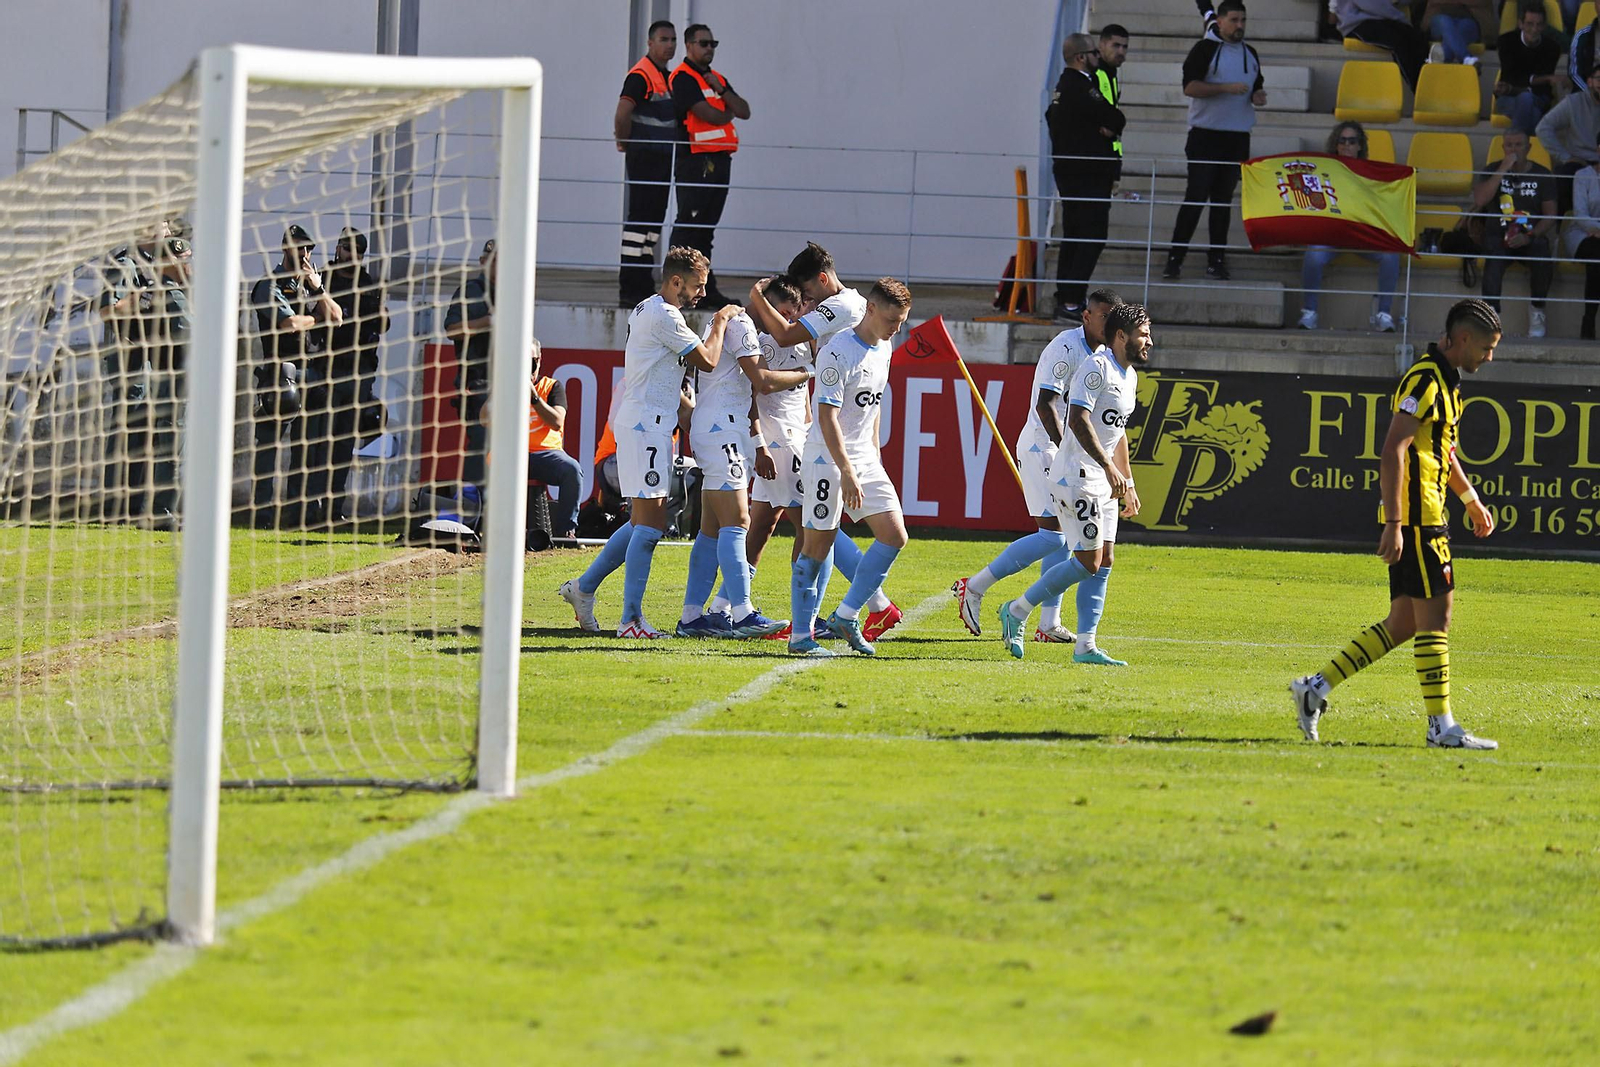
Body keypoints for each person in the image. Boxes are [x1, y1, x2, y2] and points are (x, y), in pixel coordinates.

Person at [1290, 299, 1501, 750]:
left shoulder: (1450, 383)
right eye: (1486, 348)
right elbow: (1394, 449)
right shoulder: (1424, 379)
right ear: (1463, 339)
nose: (1489, 357)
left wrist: (1470, 499)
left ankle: (1315, 688)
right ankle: (1440, 727)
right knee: (1436, 619)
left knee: (1403, 622)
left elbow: (1442, 449)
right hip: (1421, 520)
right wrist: (1395, 522)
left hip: (1429, 516)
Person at [558, 246, 741, 638]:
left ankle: (584, 588)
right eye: (697, 286)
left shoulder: (647, 308)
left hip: (648, 425)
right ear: (675, 281)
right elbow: (708, 360)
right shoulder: (663, 315)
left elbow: (662, 369)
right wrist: (723, 319)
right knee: (650, 526)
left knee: (645, 521)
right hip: (646, 427)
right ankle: (630, 620)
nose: (702, 295)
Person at [745, 243, 903, 640]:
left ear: (821, 279)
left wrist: (756, 298)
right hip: (826, 439)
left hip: (834, 446)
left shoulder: (845, 308)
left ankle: (848, 613)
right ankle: (843, 615)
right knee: (809, 526)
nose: (803, 306)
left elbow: (783, 335)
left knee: (814, 530)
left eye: (806, 295)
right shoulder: (857, 327)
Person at [952, 289, 1120, 645]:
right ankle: (975, 586)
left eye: (1113, 317)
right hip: (1044, 448)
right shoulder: (1067, 348)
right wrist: (1065, 454)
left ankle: (1048, 623)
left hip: (1065, 455)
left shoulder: (1104, 355)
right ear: (1086, 317)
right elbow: (1046, 405)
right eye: (1103, 316)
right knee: (1053, 535)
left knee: (1065, 536)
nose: (1108, 323)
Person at [996, 302, 1150, 664]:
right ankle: (1017, 609)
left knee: (1105, 559)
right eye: (1144, 334)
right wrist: (1106, 468)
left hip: (1104, 477)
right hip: (1076, 475)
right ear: (1121, 336)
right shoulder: (1096, 368)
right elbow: (1079, 420)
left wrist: (1126, 479)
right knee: (1086, 561)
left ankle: (1086, 646)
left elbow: (1117, 433)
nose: (1149, 341)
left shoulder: (1130, 376)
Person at [788, 279, 913, 657]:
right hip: (827, 459)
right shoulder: (837, 352)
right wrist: (846, 470)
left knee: (894, 535)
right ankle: (800, 638)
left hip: (863, 457)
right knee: (817, 547)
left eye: (902, 321)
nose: (896, 328)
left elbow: (873, 409)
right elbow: (827, 417)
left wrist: (871, 457)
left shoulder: (885, 346)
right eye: (892, 320)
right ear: (870, 309)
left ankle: (845, 615)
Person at [675, 300, 810, 639]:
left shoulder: (736, 325)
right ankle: (743, 612)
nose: (788, 319)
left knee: (710, 529)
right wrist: (808, 373)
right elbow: (761, 381)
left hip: (720, 431)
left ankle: (693, 615)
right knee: (740, 522)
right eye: (787, 309)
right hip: (723, 432)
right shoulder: (742, 325)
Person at [247, 224, 344, 529]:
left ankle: (298, 513)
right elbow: (287, 323)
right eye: (299, 248)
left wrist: (319, 289)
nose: (305, 254)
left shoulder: (311, 284)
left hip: (312, 372)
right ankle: (262, 514)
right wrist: (317, 317)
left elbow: (338, 317)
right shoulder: (269, 284)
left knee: (307, 446)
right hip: (280, 371)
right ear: (285, 248)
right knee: (269, 446)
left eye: (309, 249)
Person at [1161, 0, 1265, 282]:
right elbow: (1190, 87)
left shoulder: (1250, 53)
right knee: (1196, 197)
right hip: (1206, 136)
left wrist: (1258, 96)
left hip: (1237, 137)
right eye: (1234, 19)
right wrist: (1224, 89)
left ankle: (1216, 260)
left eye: (1243, 19)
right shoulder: (1204, 49)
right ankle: (1174, 259)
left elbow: (1257, 86)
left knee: (1222, 201)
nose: (1239, 25)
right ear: (1219, 21)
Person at [668, 24, 749, 309]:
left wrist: (722, 91)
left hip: (720, 160)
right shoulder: (682, 78)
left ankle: (704, 289)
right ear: (689, 46)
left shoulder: (717, 78)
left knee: (706, 231)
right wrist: (726, 109)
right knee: (689, 227)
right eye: (704, 43)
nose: (709, 48)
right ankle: (678, 288)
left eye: (713, 43)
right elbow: (711, 116)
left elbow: (744, 110)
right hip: (696, 160)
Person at [1047, 34, 1126, 322]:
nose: (1099, 57)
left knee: (1075, 235)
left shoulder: (1062, 86)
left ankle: (1067, 296)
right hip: (1087, 174)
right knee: (1091, 236)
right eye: (1094, 53)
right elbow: (1115, 118)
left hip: (1072, 172)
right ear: (1082, 57)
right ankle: (1070, 299)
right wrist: (1102, 129)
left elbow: (1052, 118)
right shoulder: (1079, 85)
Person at [96, 220, 171, 522]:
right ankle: (116, 507)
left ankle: (136, 506)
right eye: (163, 226)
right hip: (130, 362)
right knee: (128, 432)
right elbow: (106, 310)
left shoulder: (159, 264)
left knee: (146, 436)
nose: (168, 232)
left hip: (153, 360)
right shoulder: (124, 263)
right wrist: (142, 296)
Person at [1297, 122, 1401, 332]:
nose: (1346, 145)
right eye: (1342, 140)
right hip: (1331, 236)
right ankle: (1309, 313)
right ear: (1335, 144)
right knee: (1314, 255)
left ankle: (1383, 315)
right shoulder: (1322, 170)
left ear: (1360, 145)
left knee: (1391, 254)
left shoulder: (1371, 173)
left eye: (1351, 141)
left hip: (1361, 236)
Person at [321, 226, 389, 525]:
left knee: (344, 444)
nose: (354, 257)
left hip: (359, 372)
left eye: (359, 253)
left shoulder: (368, 283)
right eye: (349, 250)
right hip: (326, 370)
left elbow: (382, 325)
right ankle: (311, 507)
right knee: (319, 441)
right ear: (338, 249)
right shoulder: (324, 279)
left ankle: (333, 508)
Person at [615, 20, 678, 307]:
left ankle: (643, 281)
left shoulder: (664, 75)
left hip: (661, 156)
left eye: (673, 40)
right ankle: (630, 285)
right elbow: (623, 112)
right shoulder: (641, 75)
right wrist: (624, 141)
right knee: (639, 221)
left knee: (652, 222)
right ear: (650, 43)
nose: (670, 45)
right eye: (664, 39)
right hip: (644, 156)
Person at [1471, 127, 1557, 337]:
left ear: (1529, 147)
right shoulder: (1492, 169)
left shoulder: (1543, 174)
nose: (1514, 149)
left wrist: (1529, 236)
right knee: (1494, 254)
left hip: (1530, 236)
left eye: (1518, 145)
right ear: (1503, 148)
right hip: (1498, 237)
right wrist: (1503, 169)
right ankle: (1490, 315)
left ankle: (1537, 310)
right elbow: (1480, 200)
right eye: (1509, 145)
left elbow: (1551, 216)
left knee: (1542, 252)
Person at [443, 239, 496, 486]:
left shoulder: (515, 292)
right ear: (483, 262)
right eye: (493, 261)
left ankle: (492, 510)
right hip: (476, 382)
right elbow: (451, 330)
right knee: (481, 444)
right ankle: (471, 508)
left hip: (504, 384)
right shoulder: (470, 291)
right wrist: (485, 322)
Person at [522, 342, 583, 541]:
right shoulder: (504, 384)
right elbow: (484, 418)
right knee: (481, 464)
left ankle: (565, 532)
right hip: (512, 454)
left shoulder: (552, 386)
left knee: (572, 469)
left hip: (545, 454)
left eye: (530, 362)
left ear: (538, 360)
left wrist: (534, 398)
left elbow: (557, 421)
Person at [1536, 66, 1600, 215]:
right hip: (1580, 162)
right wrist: (1566, 157)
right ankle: (1563, 230)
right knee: (1563, 175)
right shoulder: (1573, 102)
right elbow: (1543, 128)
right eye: (1599, 79)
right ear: (1589, 82)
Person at [1494, 2, 1563, 135]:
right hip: (1509, 98)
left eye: (1539, 24)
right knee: (1530, 106)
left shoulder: (1552, 48)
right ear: (1520, 24)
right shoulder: (1506, 42)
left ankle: (1515, 146)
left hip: (1539, 97)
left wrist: (1525, 85)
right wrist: (1545, 78)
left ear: (1544, 26)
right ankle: (1526, 146)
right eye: (1530, 24)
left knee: (1527, 100)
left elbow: (1540, 87)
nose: (1534, 29)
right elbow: (1510, 77)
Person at [1333, 0, 1430, 91]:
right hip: (1356, 23)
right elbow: (1374, 6)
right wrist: (1401, 19)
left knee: (1418, 39)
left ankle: (1428, 85)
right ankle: (1418, 89)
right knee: (1398, 42)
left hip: (1381, 19)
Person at [1563, 131, 1600, 338]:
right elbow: (1580, 214)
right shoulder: (1582, 176)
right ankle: (1589, 320)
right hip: (1581, 235)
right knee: (1596, 256)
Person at [1420, 0, 1495, 65]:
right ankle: (1466, 57)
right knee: (1445, 21)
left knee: (1462, 27)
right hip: (1440, 21)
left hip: (1469, 21)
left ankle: (1442, 58)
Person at [1569, 8, 1600, 93]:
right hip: (1586, 96)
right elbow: (1574, 73)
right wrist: (1591, 95)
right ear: (1596, 4)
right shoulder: (1581, 36)